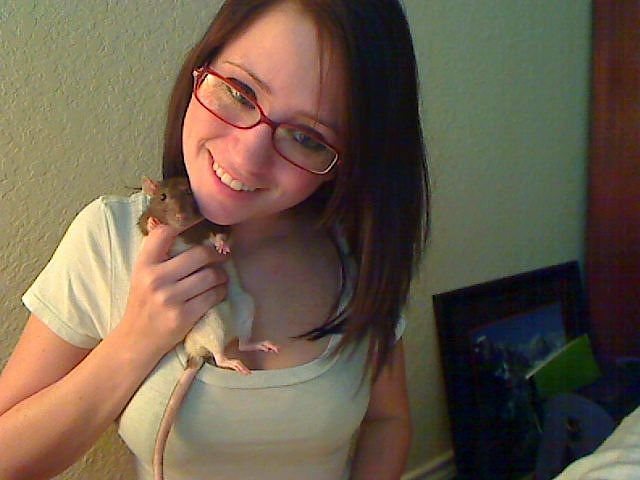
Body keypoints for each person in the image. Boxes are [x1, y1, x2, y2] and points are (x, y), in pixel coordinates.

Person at [0, 1, 429, 479]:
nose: (247, 157)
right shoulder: (110, 238)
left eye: (308, 137)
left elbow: (388, 422)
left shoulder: (359, 253)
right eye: (240, 92)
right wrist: (137, 339)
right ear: (200, 71)